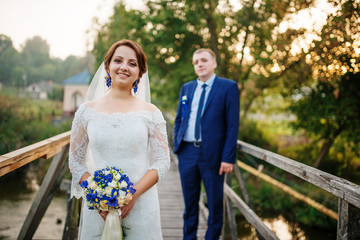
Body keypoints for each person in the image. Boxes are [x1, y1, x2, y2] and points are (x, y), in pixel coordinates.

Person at [68, 39, 170, 240]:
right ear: (107, 66)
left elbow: (162, 161)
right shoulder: (86, 111)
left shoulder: (151, 113)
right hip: (98, 208)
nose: (124, 67)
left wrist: (132, 195)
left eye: (132, 64)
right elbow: (76, 161)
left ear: (140, 73)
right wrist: (99, 196)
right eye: (118, 61)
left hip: (141, 204)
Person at [174, 48, 240, 240]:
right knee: (190, 203)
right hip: (187, 153)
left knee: (215, 204)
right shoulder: (186, 88)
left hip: (213, 155)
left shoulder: (228, 87)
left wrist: (228, 157)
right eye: (196, 62)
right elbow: (179, 119)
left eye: (203, 60)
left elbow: (232, 126)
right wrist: (177, 144)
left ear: (214, 63)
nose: (199, 64)